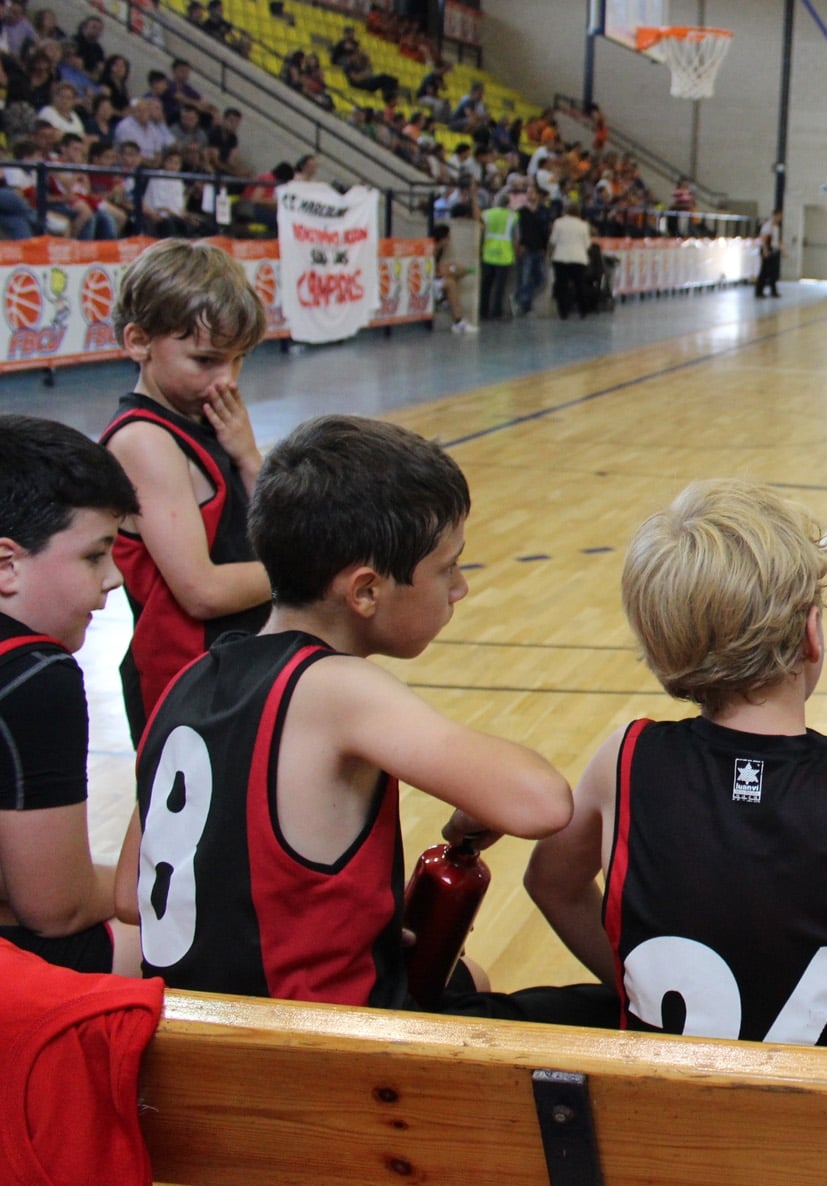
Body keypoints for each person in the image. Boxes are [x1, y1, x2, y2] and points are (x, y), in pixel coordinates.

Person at [115, 416, 610, 1027]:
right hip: (325, 1063)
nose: (459, 588)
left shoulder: (188, 681)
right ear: (366, 592)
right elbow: (540, 803)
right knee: (613, 1016)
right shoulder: (336, 688)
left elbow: (129, 897)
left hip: (187, 1043)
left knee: (465, 978)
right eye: (447, 567)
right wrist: (477, 805)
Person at [526, 479, 827, 1052]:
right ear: (812, 634)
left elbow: (551, 884)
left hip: (663, 1112)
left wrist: (635, 989)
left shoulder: (623, 758)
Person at [99, 240, 273, 744]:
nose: (226, 380)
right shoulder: (144, 440)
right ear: (138, 341)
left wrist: (247, 456)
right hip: (183, 675)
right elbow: (201, 590)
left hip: (231, 661)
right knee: (171, 814)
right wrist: (307, 571)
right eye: (206, 360)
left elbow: (274, 527)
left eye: (239, 361)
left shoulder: (206, 420)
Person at [0, 416, 141, 976]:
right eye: (94, 555)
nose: (114, 578)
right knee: (205, 937)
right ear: (7, 564)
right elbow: (56, 909)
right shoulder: (36, 674)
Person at [479, 189, 518, 321]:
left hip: (488, 253)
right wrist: (516, 253)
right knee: (499, 287)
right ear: (508, 203)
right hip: (504, 255)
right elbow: (516, 238)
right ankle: (497, 312)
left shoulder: (486, 214)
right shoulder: (513, 216)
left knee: (486, 285)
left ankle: (483, 311)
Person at [549, 206, 593, 319]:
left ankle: (563, 312)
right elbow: (587, 244)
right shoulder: (583, 225)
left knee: (562, 285)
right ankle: (583, 310)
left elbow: (553, 240)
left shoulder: (558, 223)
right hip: (578, 258)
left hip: (560, 257)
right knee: (580, 285)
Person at [430, 221, 475, 333]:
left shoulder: (439, 251)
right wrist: (445, 271)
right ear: (443, 238)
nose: (449, 241)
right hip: (427, 282)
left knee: (454, 274)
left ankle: (444, 300)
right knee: (450, 283)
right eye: (448, 237)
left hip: (434, 280)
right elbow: (431, 271)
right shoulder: (431, 250)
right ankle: (458, 321)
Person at [512, 185, 549, 317]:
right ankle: (525, 307)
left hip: (539, 249)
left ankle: (519, 297)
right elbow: (518, 230)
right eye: (528, 192)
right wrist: (519, 244)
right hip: (526, 248)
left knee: (541, 279)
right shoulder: (521, 212)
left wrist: (545, 247)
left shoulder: (544, 211)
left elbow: (546, 230)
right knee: (525, 278)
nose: (530, 195)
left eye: (532, 192)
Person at [754, 209, 781, 298]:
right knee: (764, 271)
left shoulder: (776, 227)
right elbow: (764, 238)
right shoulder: (767, 226)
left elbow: (775, 240)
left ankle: (773, 291)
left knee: (773, 271)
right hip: (767, 249)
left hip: (773, 249)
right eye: (779, 216)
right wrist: (765, 250)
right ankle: (759, 291)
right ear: (775, 215)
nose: (780, 218)